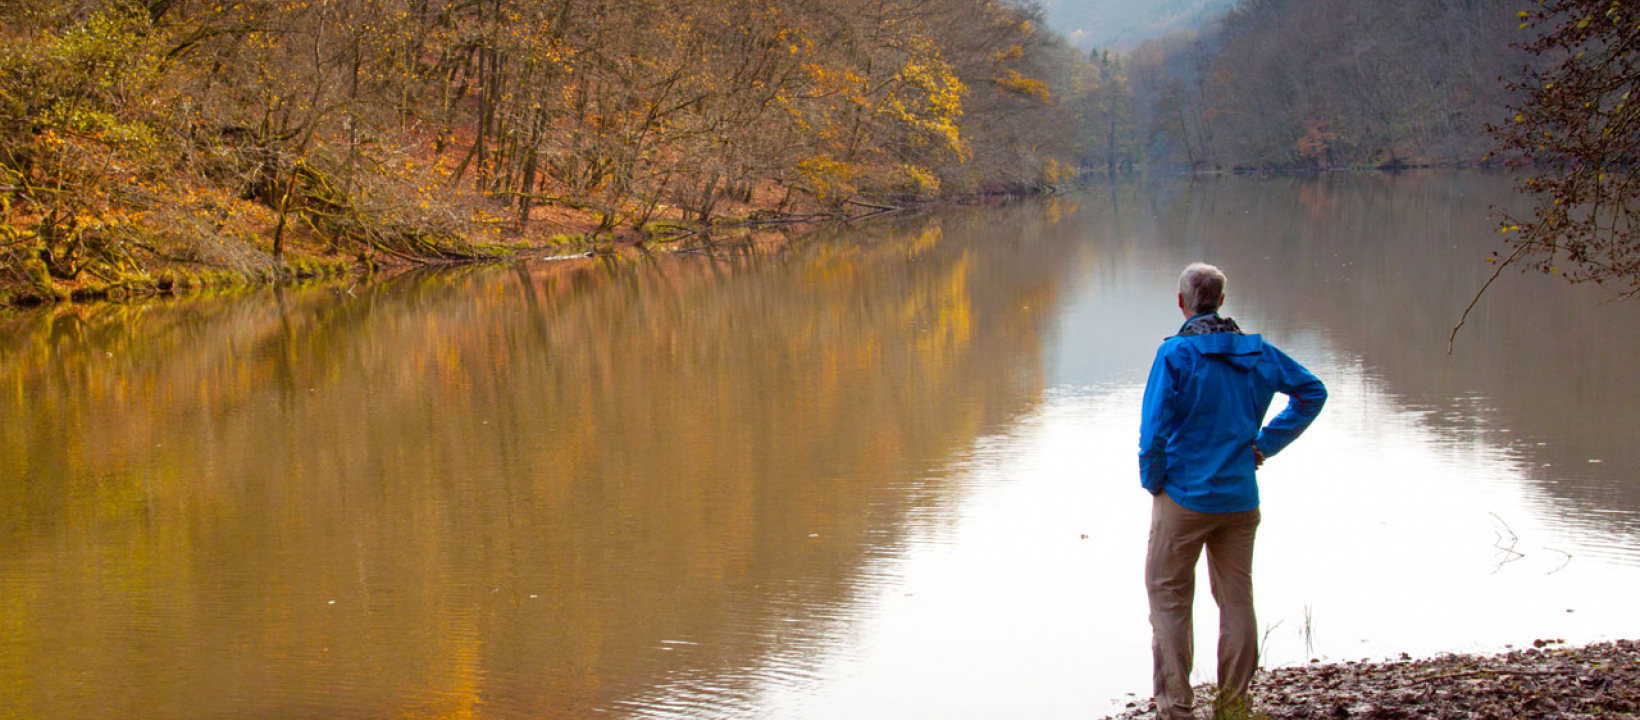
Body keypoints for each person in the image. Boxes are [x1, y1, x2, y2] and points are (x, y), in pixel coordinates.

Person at [1138, 262, 1327, 719]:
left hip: (1183, 497)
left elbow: (1153, 435)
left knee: (1168, 600)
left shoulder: (1176, 355)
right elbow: (1311, 393)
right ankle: (1235, 705)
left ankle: (1177, 709)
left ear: (1181, 302)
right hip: (1241, 498)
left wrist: (1155, 481)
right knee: (1237, 599)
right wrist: (1265, 445)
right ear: (1222, 301)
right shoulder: (1258, 353)